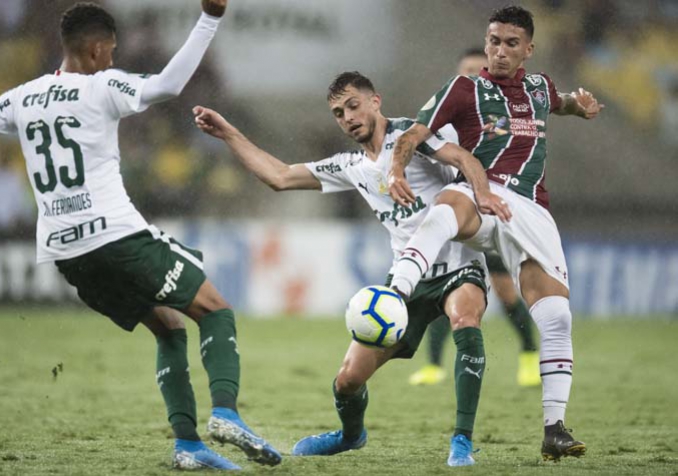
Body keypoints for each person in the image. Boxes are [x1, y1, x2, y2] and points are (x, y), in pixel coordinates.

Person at [0, 1, 282, 471]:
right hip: (117, 237)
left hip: (66, 253)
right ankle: (225, 413)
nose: (114, 60)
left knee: (168, 328)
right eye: (112, 52)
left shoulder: (21, 96)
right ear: (98, 50)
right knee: (216, 311)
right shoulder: (101, 86)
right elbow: (168, 86)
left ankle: (188, 445)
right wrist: (210, 19)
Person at [194, 71, 500, 467]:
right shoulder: (351, 166)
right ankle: (351, 435)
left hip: (458, 263)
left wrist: (484, 195)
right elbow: (280, 177)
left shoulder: (411, 135)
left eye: (353, 105)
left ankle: (462, 440)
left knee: (464, 319)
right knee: (347, 380)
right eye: (339, 112)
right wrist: (228, 134)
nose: (348, 117)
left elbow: (461, 157)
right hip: (406, 280)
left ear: (376, 101)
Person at [386, 6, 603, 462]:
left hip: (532, 213)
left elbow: (558, 103)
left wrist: (578, 109)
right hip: (485, 196)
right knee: (450, 201)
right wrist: (395, 170)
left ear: (528, 48)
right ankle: (396, 290)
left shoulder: (540, 87)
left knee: (558, 318)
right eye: (493, 41)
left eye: (510, 43)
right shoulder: (465, 88)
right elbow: (411, 134)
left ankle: (554, 429)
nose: (499, 51)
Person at [409, 48, 540, 388]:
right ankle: (435, 365)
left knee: (506, 293)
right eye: (463, 72)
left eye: (474, 71)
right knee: (443, 287)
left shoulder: (493, 122)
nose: (469, 77)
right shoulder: (438, 123)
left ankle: (528, 354)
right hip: (454, 219)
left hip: (486, 218)